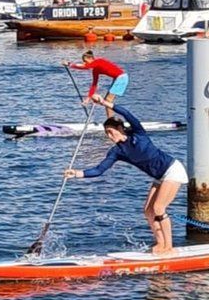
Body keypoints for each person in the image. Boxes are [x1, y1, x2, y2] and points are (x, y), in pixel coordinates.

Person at [64, 95, 187, 256]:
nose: (109, 136)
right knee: (148, 211)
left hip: (172, 170)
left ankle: (169, 248)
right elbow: (100, 170)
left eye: (110, 131)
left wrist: (103, 103)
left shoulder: (138, 134)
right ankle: (161, 243)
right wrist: (77, 174)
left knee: (158, 208)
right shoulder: (117, 151)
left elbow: (127, 113)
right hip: (159, 176)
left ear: (120, 128)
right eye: (106, 133)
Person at [65, 51, 128, 118]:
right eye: (84, 61)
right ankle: (111, 120)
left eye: (85, 61)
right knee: (107, 101)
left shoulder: (99, 61)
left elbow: (86, 67)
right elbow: (94, 85)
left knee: (107, 101)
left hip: (122, 78)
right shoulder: (95, 70)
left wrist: (70, 64)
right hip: (117, 78)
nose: (84, 63)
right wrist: (88, 98)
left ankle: (112, 121)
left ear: (91, 58)